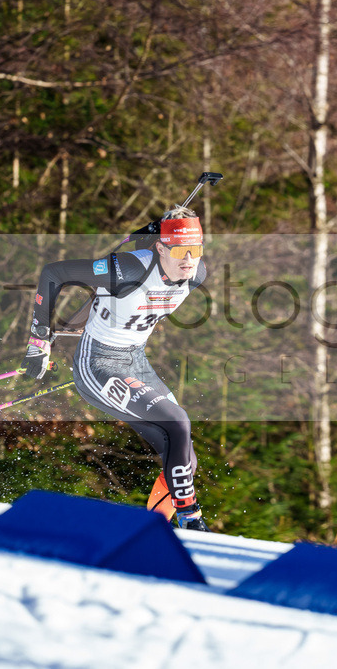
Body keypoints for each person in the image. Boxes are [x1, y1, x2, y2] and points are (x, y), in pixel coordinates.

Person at [20, 207, 210, 531]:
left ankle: (154, 531)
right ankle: (191, 519)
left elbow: (148, 247)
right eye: (180, 250)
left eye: (195, 250)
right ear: (162, 249)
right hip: (98, 363)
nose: (188, 260)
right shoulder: (128, 268)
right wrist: (39, 339)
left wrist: (149, 232)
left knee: (183, 456)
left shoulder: (197, 274)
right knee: (178, 421)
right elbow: (54, 273)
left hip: (136, 360)